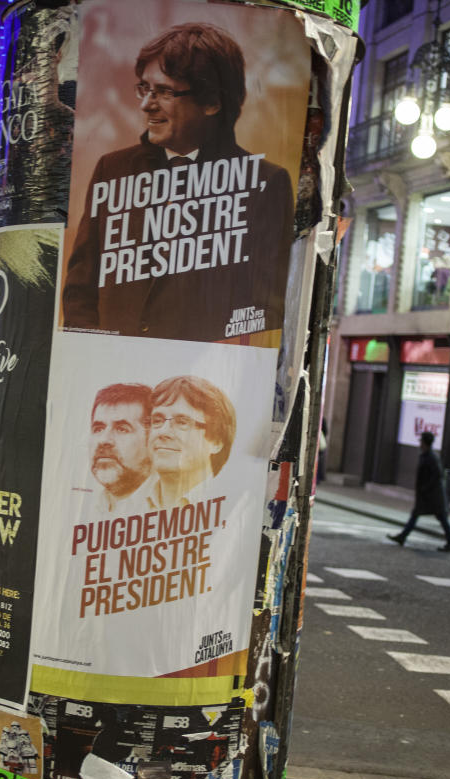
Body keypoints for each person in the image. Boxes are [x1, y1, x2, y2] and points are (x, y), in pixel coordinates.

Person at [60, 22, 294, 343]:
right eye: (144, 88)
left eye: (165, 92)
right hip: (109, 372)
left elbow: (264, 306)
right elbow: (80, 288)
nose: (146, 105)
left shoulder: (266, 184)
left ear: (212, 102)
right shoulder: (112, 169)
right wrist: (90, 350)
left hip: (198, 379)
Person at [146, 375, 236, 508]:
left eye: (182, 422)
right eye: (157, 421)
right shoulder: (127, 506)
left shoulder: (230, 506)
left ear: (216, 441)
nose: (163, 432)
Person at [387, 431, 450, 552]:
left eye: (421, 441)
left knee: (441, 518)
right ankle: (403, 536)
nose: (420, 443)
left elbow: (438, 475)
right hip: (430, 495)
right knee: (419, 515)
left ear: (425, 443)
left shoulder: (431, 457)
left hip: (433, 496)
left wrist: (425, 488)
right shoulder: (427, 455)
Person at [89, 383, 154, 513]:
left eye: (122, 429)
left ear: (152, 439)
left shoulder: (176, 506)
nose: (104, 440)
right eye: (98, 429)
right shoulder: (84, 510)